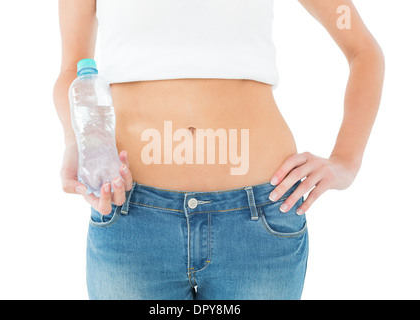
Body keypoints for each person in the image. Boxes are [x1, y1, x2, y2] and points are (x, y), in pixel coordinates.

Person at [53, 0, 384, 300]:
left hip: (259, 220)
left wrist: (346, 160)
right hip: (131, 213)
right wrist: (76, 142)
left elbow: (363, 50)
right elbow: (72, 68)